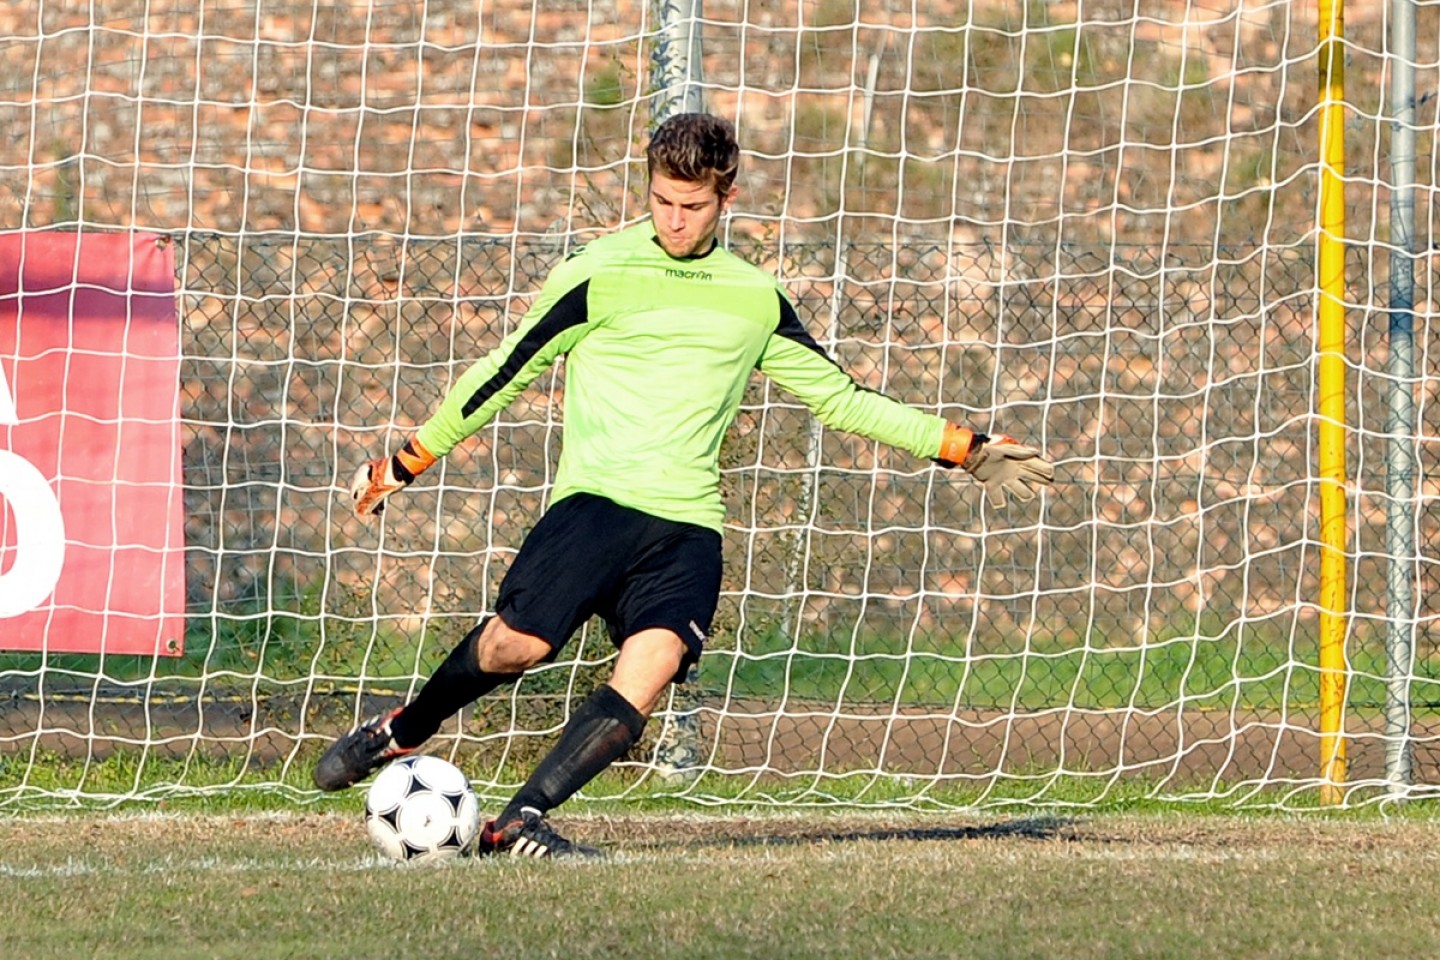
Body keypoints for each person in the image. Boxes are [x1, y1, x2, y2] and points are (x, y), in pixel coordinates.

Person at [313, 112, 1055, 857]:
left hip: (688, 522)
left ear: (725, 199)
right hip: (596, 503)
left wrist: (961, 447)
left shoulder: (754, 298)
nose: (675, 218)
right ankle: (403, 730)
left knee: (657, 659)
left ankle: (522, 819)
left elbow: (841, 398)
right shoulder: (598, 271)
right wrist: (408, 461)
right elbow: (505, 372)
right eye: (663, 200)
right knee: (519, 646)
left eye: (693, 205)